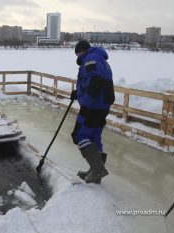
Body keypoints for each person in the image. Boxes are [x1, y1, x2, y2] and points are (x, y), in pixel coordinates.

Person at [70, 41, 115, 184]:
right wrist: (79, 93)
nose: (77, 56)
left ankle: (97, 170)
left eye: (77, 53)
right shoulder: (99, 58)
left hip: (93, 106)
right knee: (94, 137)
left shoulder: (91, 59)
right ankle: (95, 173)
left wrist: (87, 104)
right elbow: (93, 82)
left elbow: (96, 82)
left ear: (81, 51)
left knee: (79, 135)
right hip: (102, 105)